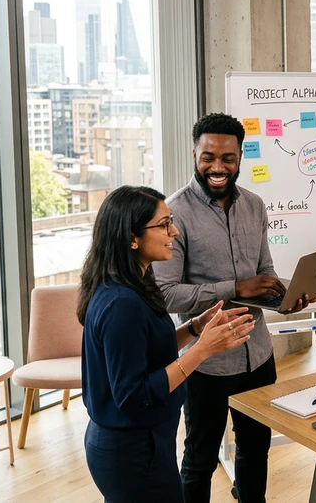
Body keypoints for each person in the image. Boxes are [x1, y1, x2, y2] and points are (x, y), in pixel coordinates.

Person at [153, 113, 313, 503]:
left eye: (228, 158)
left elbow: (265, 270)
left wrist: (284, 299)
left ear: (240, 157)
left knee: (256, 447)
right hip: (206, 362)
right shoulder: (174, 213)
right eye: (208, 157)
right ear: (195, 155)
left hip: (258, 355)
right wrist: (234, 288)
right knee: (200, 459)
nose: (218, 167)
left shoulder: (255, 205)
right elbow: (165, 294)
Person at [80, 186, 256, 502]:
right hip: (130, 452)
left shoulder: (134, 284)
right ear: (132, 238)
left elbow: (147, 351)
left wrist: (195, 328)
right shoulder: (122, 304)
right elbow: (134, 396)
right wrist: (202, 350)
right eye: (164, 225)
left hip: (143, 445)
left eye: (171, 221)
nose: (174, 231)